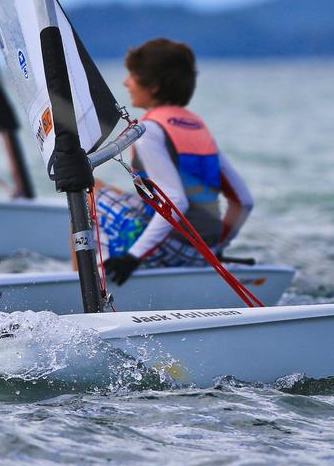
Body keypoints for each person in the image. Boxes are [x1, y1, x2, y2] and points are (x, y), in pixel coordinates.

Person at [98, 38, 253, 285]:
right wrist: (216, 247)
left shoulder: (148, 130)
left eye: (132, 75)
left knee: (89, 192)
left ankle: (92, 281)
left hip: (171, 250)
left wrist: (133, 257)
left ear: (154, 86)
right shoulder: (199, 128)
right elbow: (243, 201)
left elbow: (176, 201)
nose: (126, 83)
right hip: (205, 250)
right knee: (121, 197)